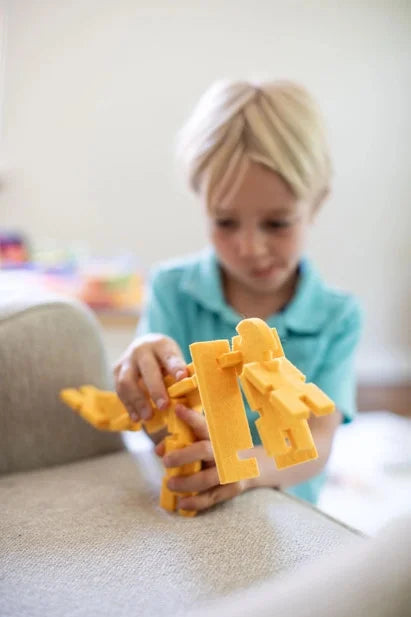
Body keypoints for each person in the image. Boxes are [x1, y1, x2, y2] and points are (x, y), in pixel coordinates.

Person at [114, 79, 363, 512]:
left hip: (287, 513)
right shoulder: (172, 289)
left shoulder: (337, 315)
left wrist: (245, 468)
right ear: (201, 204)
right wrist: (142, 378)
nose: (250, 248)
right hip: (193, 504)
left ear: (316, 205)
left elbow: (318, 443)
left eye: (277, 223)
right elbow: (158, 428)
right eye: (226, 222)